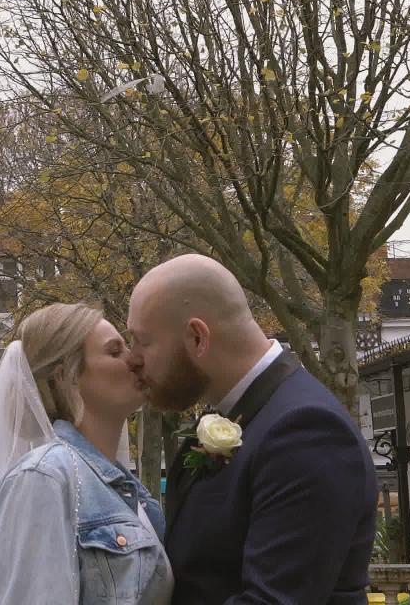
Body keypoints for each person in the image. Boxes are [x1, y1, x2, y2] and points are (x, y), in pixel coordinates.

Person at [124, 255, 377, 605]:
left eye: (142, 341)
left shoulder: (306, 432)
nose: (132, 359)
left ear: (197, 337)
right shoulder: (245, 414)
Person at [0, 302, 172, 605]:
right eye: (115, 352)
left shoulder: (127, 490)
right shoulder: (43, 478)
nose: (135, 360)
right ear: (66, 376)